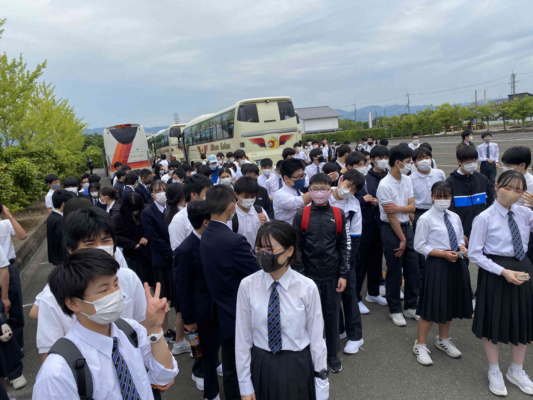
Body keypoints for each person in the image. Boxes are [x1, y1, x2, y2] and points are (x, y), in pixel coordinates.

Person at [33, 249, 178, 400]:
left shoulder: (131, 330)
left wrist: (154, 329)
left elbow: (163, 376)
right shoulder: (57, 372)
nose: (116, 293)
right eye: (104, 290)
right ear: (73, 302)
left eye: (116, 284)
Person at [35, 206, 148, 360]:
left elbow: (143, 325)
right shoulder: (53, 296)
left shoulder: (128, 278)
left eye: (105, 241)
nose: (99, 249)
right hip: (87, 375)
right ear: (71, 250)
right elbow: (50, 354)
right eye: (89, 244)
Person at [236, 221, 329, 400]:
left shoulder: (306, 288)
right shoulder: (247, 285)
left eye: (270, 250)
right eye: (259, 249)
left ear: (289, 251)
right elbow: (243, 338)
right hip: (261, 363)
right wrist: (245, 384)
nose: (263, 255)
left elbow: (317, 339)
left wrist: (322, 387)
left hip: (296, 365)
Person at [469, 171, 533, 396]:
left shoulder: (526, 213)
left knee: (522, 319)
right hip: (496, 271)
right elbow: (475, 254)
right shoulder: (484, 218)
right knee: (492, 320)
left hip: (523, 268)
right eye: (509, 188)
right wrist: (503, 271)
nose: (513, 194)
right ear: (497, 187)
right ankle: (494, 370)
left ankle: (517, 370)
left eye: (519, 190)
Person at [201, 185, 261, 400]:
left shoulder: (206, 233)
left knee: (230, 362)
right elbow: (257, 273)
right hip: (237, 312)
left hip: (220, 308)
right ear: (230, 206)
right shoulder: (234, 241)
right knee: (241, 364)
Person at [413, 182, 473, 366]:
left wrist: (462, 248)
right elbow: (419, 245)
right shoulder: (425, 218)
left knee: (449, 302)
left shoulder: (454, 216)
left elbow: (461, 236)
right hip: (437, 263)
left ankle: (443, 339)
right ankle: (420, 344)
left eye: (446, 197)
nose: (443, 200)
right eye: (438, 197)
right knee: (431, 304)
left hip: (456, 262)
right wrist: (443, 254)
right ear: (432, 197)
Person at [292, 173, 348, 373]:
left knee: (332, 316)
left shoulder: (338, 214)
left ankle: (332, 354)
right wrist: (301, 276)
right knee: (309, 319)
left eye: (324, 189)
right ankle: (312, 354)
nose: (319, 193)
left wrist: (343, 274)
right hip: (309, 278)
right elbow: (296, 248)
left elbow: (343, 246)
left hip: (332, 276)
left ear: (330, 190)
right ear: (309, 190)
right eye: (315, 189)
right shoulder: (302, 215)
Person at [174, 201, 223, 398]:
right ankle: (210, 391)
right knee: (201, 350)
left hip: (218, 307)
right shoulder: (185, 250)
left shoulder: (215, 241)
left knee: (214, 347)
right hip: (200, 312)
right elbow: (183, 289)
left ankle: (208, 368)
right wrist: (188, 319)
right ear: (205, 222)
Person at [141, 180, 190, 356]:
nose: (161, 192)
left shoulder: (172, 210)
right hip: (162, 260)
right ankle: (163, 331)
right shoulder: (148, 212)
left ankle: (181, 328)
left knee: (178, 296)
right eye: (157, 190)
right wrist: (172, 253)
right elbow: (154, 238)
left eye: (163, 189)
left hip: (175, 259)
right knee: (163, 298)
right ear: (152, 194)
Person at [377, 145, 419, 327]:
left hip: (407, 227)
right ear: (398, 162)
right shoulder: (384, 185)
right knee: (394, 271)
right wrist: (402, 239)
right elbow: (390, 215)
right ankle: (395, 309)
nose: (411, 165)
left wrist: (401, 208)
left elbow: (412, 207)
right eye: (409, 162)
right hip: (392, 230)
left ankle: (411, 306)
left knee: (413, 269)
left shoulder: (407, 180)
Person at [329, 169, 366, 355]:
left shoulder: (353, 205)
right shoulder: (324, 197)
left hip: (346, 255)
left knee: (350, 294)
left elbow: (356, 235)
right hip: (325, 256)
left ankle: (355, 336)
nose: (349, 190)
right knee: (331, 296)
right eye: (348, 184)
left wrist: (346, 263)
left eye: (354, 189)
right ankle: (339, 330)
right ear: (341, 180)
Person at [356, 146, 389, 312]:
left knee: (376, 262)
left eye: (386, 157)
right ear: (373, 159)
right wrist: (366, 200)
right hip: (363, 227)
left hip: (379, 225)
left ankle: (374, 292)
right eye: (380, 157)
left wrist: (378, 203)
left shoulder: (386, 176)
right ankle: (355, 298)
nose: (384, 160)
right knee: (361, 264)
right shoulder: (362, 179)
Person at [409, 147, 446, 286]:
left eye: (427, 158)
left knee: (439, 241)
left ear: (431, 159)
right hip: (419, 213)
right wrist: (412, 216)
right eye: (420, 159)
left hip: (438, 210)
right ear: (414, 163)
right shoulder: (410, 179)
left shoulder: (439, 173)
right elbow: (409, 199)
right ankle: (423, 281)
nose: (424, 161)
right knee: (421, 247)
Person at [0, 203, 27, 390]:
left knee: (15, 309)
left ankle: (18, 346)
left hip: (7, 268)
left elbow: (22, 235)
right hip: (5, 269)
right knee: (3, 317)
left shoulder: (4, 225)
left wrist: (9, 216)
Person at [447, 145, 495, 240]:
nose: (473, 164)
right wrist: (459, 232)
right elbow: (450, 211)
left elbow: (491, 202)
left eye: (474, 161)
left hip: (483, 229)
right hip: (463, 233)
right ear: (459, 162)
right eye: (469, 162)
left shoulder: (483, 179)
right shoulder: (450, 182)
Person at [114, 192, 155, 287]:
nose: (135, 211)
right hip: (133, 255)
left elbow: (153, 227)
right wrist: (132, 244)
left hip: (150, 252)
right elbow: (115, 236)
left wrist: (146, 236)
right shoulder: (119, 217)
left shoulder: (147, 211)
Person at [169, 174, 212, 251]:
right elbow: (178, 253)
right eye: (207, 192)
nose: (210, 195)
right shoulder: (179, 220)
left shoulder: (213, 212)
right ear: (194, 195)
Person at [273, 159, 313, 224]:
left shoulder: (299, 193)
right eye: (297, 176)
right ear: (286, 178)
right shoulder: (280, 194)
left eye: (303, 175)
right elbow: (296, 203)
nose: (302, 179)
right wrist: (317, 188)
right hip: (286, 231)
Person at [233, 177, 269, 247]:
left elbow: (268, 234)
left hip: (257, 254)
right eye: (246, 197)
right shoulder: (231, 214)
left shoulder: (260, 211)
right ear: (236, 195)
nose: (249, 199)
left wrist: (265, 225)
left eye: (252, 196)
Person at [47, 190, 73, 266]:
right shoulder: (59, 220)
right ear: (63, 204)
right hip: (62, 259)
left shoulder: (52, 216)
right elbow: (63, 242)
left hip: (56, 257)